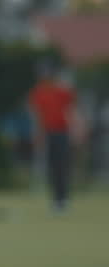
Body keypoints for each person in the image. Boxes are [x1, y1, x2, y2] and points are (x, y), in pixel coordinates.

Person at [28, 62, 79, 213]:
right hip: (48, 133)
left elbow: (71, 111)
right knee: (52, 167)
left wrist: (76, 129)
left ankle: (63, 199)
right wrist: (37, 134)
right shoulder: (37, 92)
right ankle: (56, 199)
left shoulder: (62, 91)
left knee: (62, 165)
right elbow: (37, 115)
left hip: (63, 132)